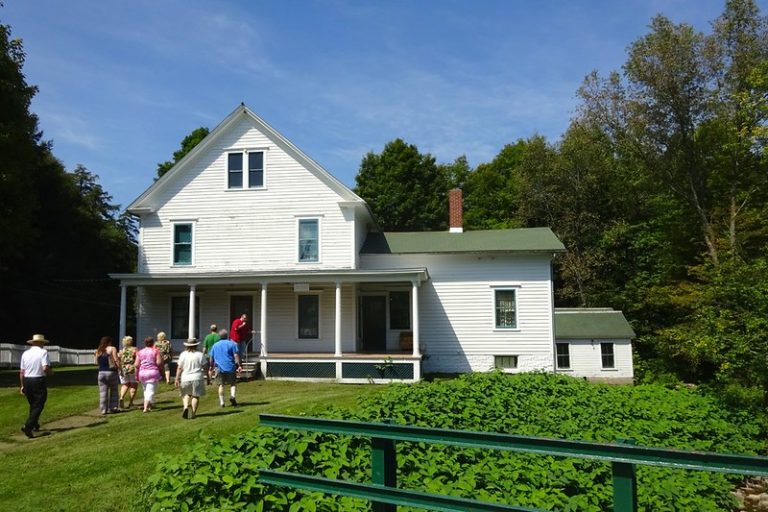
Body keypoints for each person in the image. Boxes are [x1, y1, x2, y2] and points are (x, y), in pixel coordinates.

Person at [19, 334, 53, 438]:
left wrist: (22, 385)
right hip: (38, 379)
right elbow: (45, 368)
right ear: (40, 343)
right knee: (39, 404)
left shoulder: (25, 353)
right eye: (42, 343)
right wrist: (51, 373)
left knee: (33, 403)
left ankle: (35, 424)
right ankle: (28, 426)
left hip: (27, 380)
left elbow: (22, 371)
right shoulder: (43, 352)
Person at [174, 338, 207, 419]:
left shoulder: (183, 354)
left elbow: (180, 368)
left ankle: (185, 407)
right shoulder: (200, 354)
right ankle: (193, 413)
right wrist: (208, 377)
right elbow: (205, 366)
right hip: (197, 377)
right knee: (195, 396)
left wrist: (177, 378)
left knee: (185, 394)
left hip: (185, 377)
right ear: (196, 345)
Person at [209, 329, 242, 407]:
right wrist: (239, 365)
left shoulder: (215, 345)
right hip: (230, 366)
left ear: (219, 336)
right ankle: (232, 396)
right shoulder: (232, 344)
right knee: (233, 383)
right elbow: (236, 355)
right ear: (227, 336)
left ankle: (222, 402)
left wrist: (211, 366)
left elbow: (211, 357)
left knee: (221, 385)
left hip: (219, 367)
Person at [136, 336, 163, 413]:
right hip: (152, 372)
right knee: (150, 391)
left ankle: (149, 406)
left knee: (145, 390)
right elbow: (159, 362)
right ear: (153, 343)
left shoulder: (140, 352)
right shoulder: (155, 351)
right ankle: (145, 407)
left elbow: (136, 364)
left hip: (142, 373)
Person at [95, 336, 120, 415]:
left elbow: (96, 363)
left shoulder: (98, 350)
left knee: (103, 392)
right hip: (111, 372)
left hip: (101, 373)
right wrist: (120, 369)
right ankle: (113, 407)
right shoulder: (112, 348)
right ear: (109, 342)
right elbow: (116, 360)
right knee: (114, 390)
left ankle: (103, 410)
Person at [118, 336, 138, 409]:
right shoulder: (134, 350)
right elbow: (137, 359)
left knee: (125, 384)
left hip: (123, 369)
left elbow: (119, 360)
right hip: (132, 368)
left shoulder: (121, 351)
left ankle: (121, 397)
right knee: (133, 384)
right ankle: (131, 402)